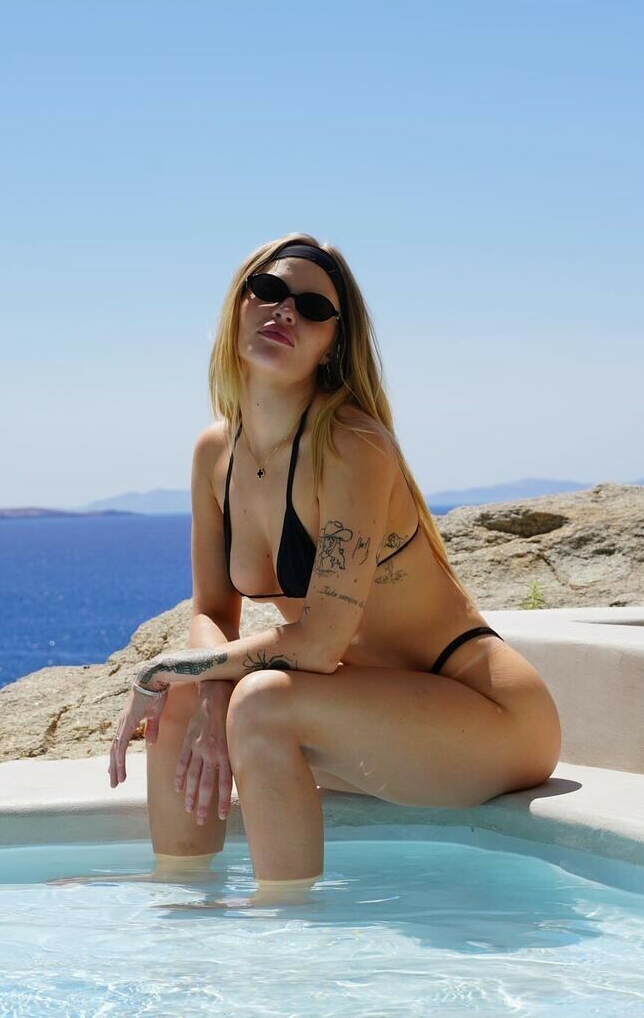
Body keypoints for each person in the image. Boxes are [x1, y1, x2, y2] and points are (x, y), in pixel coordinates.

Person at [104, 233, 562, 904]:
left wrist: (179, 668)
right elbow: (212, 610)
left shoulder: (352, 446)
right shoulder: (214, 452)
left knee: (258, 700)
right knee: (185, 697)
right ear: (238, 305)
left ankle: (290, 932)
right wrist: (203, 689)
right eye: (268, 290)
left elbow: (319, 645)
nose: (285, 311)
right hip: (366, 714)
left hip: (488, 717)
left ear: (332, 344)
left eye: (313, 307)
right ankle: (179, 906)